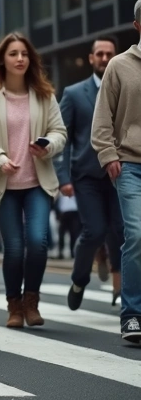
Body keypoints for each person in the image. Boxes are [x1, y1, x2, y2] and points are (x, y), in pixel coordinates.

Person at [0, 32, 66, 329]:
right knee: (13, 248)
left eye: (24, 53)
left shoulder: (44, 94)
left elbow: (60, 132)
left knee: (37, 243)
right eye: (13, 54)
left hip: (38, 182)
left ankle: (31, 300)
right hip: (3, 185)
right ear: (2, 59)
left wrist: (48, 144)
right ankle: (14, 304)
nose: (20, 58)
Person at [59, 36, 124, 310]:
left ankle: (121, 292)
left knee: (122, 232)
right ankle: (78, 279)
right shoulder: (74, 94)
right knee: (95, 230)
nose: (104, 58)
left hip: (121, 172)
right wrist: (63, 177)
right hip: (86, 175)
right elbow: (63, 137)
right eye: (99, 53)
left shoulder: (127, 88)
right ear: (91, 58)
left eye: (109, 53)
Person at [89, 0, 141, 343]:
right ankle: (132, 312)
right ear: (138, 25)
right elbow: (102, 118)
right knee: (137, 234)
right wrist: (108, 155)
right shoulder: (120, 65)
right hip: (131, 165)